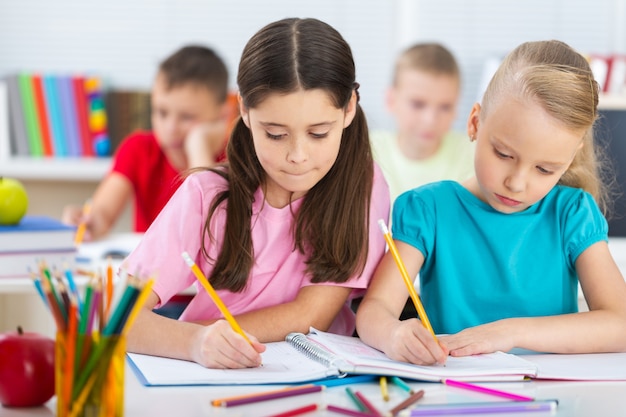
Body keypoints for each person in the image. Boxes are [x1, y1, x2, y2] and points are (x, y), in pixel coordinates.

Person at [123, 17, 389, 369]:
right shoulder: (206, 194)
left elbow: (310, 315)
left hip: (318, 383)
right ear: (244, 111)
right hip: (204, 380)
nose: (297, 155)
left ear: (349, 109)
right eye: (276, 134)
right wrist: (195, 342)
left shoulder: (363, 184)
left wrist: (207, 337)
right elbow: (117, 318)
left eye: (319, 133)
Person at [356, 40, 626, 366]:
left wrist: (509, 333)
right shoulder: (427, 209)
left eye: (545, 169)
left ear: (569, 160)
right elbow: (374, 311)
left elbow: (620, 324)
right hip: (453, 389)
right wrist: (393, 334)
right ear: (474, 123)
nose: (516, 182)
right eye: (503, 154)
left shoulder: (572, 214)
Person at [62, 45, 233, 241]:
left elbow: (212, 232)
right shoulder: (138, 149)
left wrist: (198, 147)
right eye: (161, 112)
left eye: (187, 117)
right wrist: (86, 221)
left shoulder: (236, 159)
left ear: (223, 116)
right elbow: (102, 215)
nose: (170, 128)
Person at [370, 43, 474, 205]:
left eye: (445, 107)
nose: (430, 120)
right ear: (391, 100)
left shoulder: (474, 155)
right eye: (418, 104)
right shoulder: (367, 151)